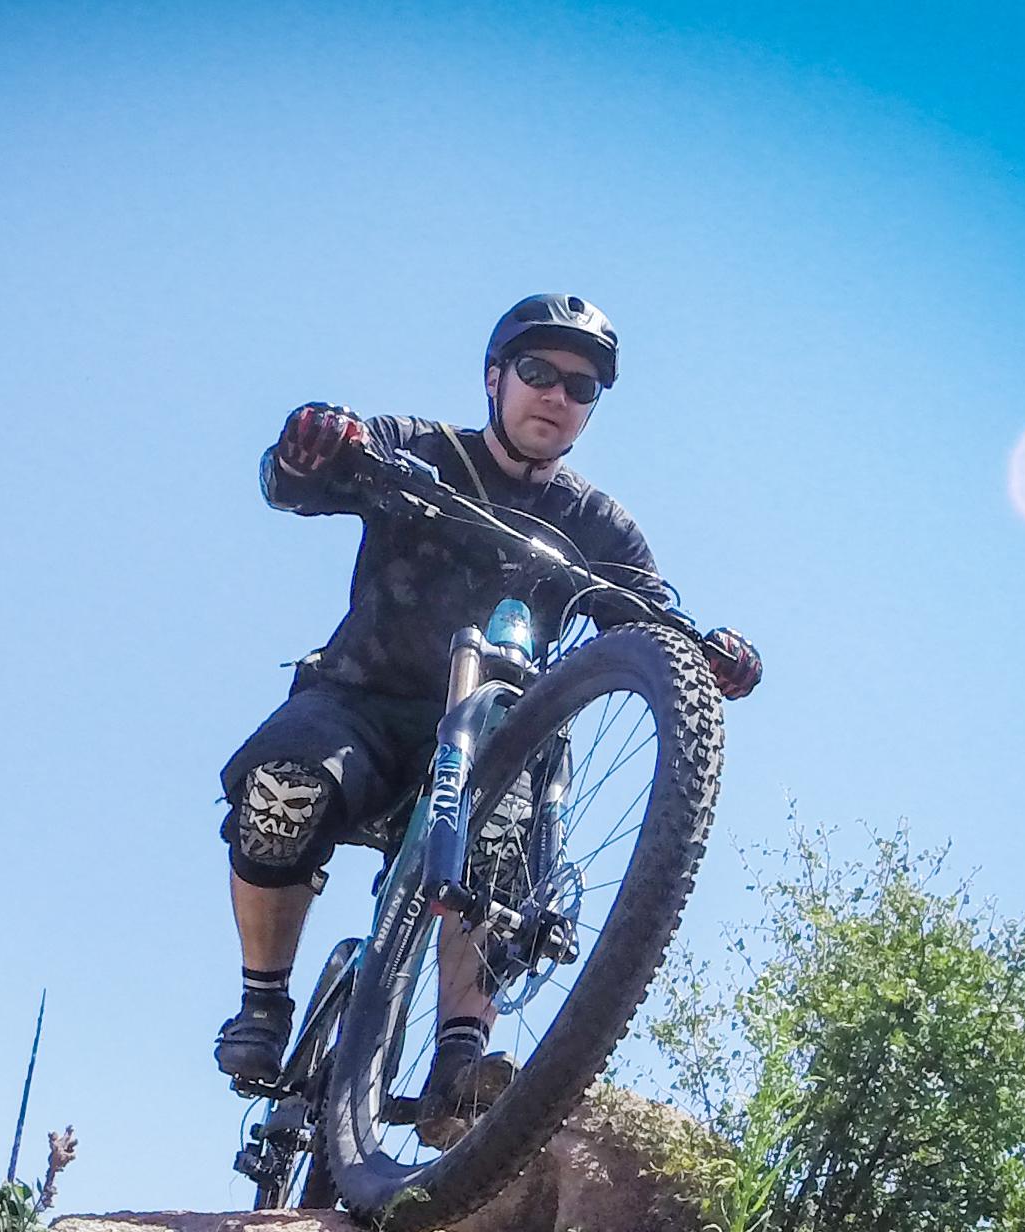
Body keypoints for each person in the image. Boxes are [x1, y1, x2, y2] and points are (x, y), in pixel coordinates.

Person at [213, 293, 760, 1135]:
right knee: (282, 787)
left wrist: (704, 653)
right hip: (362, 704)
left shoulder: (596, 523)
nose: (556, 395)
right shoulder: (423, 448)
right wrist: (314, 441)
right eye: (538, 372)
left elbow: (650, 617)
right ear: (494, 376)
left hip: (490, 733)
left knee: (505, 840)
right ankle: (263, 1003)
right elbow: (293, 483)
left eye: (580, 388)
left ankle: (460, 1059)